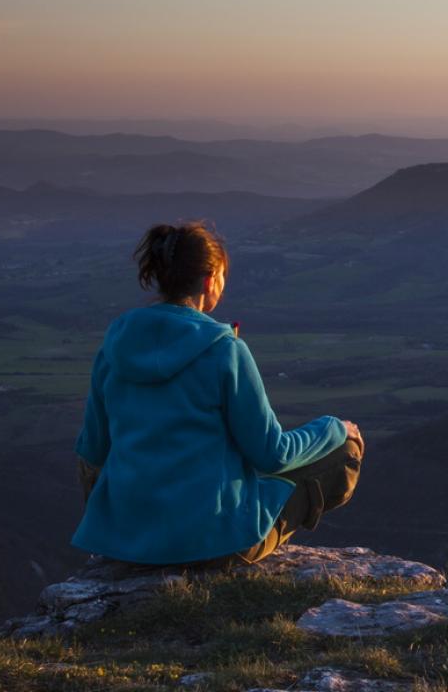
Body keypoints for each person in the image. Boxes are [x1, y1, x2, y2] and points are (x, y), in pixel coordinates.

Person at [71, 221, 363, 569]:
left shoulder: (114, 348)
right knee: (345, 452)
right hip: (215, 544)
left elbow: (92, 451)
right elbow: (272, 454)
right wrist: (334, 428)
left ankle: (137, 540)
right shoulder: (224, 351)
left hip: (127, 545)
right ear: (210, 278)